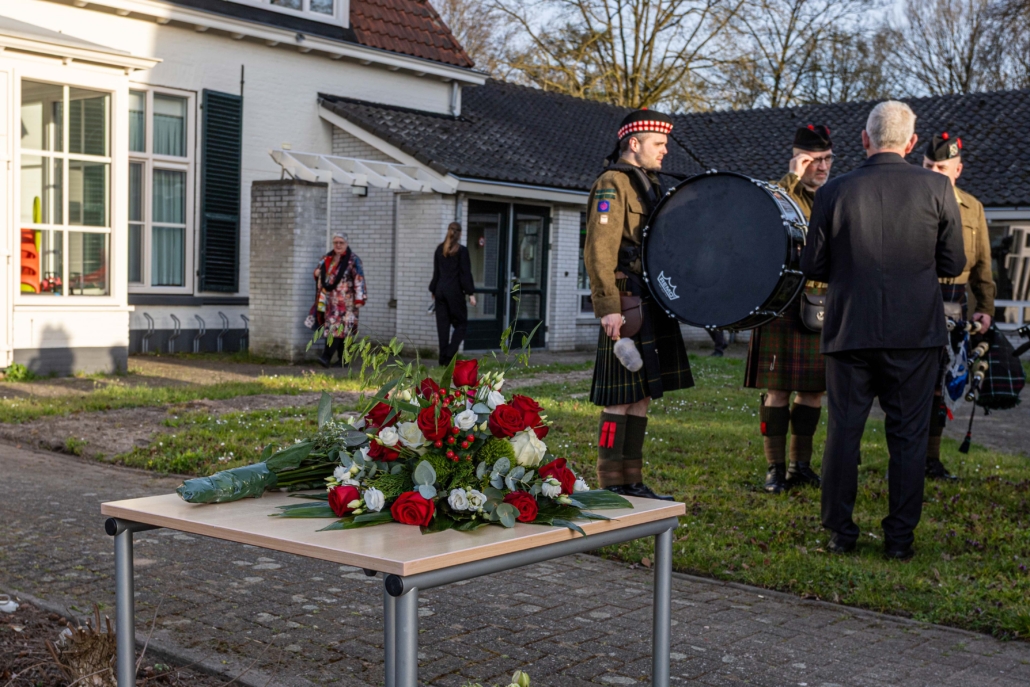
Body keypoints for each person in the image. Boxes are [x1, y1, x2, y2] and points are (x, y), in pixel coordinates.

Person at [802, 101, 965, 560]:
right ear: (912, 143)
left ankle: (840, 532)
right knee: (909, 436)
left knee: (843, 432)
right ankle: (899, 540)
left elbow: (812, 264)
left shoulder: (833, 191)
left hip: (850, 327)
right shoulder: (937, 187)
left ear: (864, 138)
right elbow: (954, 263)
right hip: (914, 333)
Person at [583, 109, 694, 500]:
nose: (665, 151)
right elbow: (599, 250)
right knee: (621, 396)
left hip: (650, 296)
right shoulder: (613, 184)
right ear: (634, 143)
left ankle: (633, 481)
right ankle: (611, 481)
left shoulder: (651, 184)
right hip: (625, 299)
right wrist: (607, 306)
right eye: (659, 144)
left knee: (642, 393)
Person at [744, 125, 834, 494]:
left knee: (813, 391)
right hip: (781, 302)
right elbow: (763, 222)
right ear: (798, 159)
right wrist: (792, 179)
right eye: (814, 160)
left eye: (828, 159)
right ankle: (774, 469)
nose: (822, 167)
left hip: (820, 304)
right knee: (777, 391)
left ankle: (801, 465)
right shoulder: (778, 193)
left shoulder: (834, 196)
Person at [921, 133, 997, 480]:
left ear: (957, 169)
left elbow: (982, 264)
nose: (934, 172)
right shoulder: (909, 200)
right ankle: (906, 456)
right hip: (915, 297)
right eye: (928, 166)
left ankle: (930, 460)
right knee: (910, 384)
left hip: (954, 301)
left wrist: (985, 306)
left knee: (942, 383)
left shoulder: (973, 208)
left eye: (941, 167)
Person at [312, 233, 366, 368]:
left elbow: (359, 279)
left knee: (338, 330)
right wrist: (317, 273)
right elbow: (318, 272)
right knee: (339, 331)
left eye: (341, 242)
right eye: (336, 242)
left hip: (347, 302)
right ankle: (344, 360)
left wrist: (360, 298)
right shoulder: (326, 258)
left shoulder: (354, 260)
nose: (338, 245)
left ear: (346, 244)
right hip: (330, 301)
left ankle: (326, 357)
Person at [429, 222, 477, 367]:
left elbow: (436, 273)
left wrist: (433, 290)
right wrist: (471, 293)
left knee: (442, 327)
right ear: (460, 233)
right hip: (454, 293)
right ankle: (449, 354)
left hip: (440, 292)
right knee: (461, 324)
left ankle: (443, 360)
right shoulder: (462, 251)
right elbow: (465, 274)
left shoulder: (439, 249)